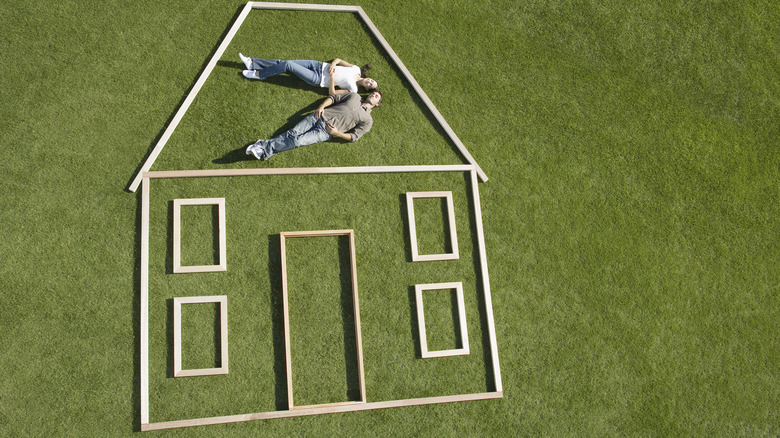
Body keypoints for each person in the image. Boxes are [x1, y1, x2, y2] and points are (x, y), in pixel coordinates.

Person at [246, 90, 383, 161]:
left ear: (376, 104)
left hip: (325, 132)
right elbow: (334, 98)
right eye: (373, 93)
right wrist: (321, 107)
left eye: (376, 96)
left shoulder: (368, 120)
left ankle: (264, 146)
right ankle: (264, 150)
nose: (373, 95)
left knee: (298, 141)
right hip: (318, 116)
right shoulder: (354, 96)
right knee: (292, 133)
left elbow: (354, 137)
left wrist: (337, 134)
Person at [238, 54, 378, 93]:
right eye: (372, 80)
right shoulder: (357, 69)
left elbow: (333, 93)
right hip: (319, 65)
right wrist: (333, 65)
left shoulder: (353, 89)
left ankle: (259, 74)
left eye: (370, 85)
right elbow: (339, 59)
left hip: (318, 79)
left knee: (287, 65)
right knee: (283, 62)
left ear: (366, 89)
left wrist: (333, 77)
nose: (370, 82)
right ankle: (252, 63)